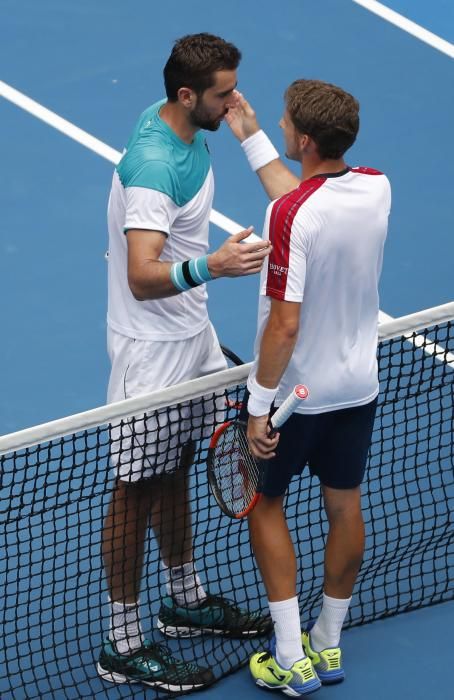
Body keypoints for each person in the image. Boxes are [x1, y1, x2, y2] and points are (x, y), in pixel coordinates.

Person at [97, 33, 272, 693]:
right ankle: (123, 642)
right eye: (225, 94)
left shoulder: (176, 125)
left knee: (178, 468)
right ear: (186, 95)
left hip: (190, 335)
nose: (236, 105)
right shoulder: (152, 167)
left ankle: (185, 600)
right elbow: (143, 276)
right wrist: (215, 266)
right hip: (151, 354)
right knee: (135, 489)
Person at [226, 79, 391, 696]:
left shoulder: (292, 215)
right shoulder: (376, 185)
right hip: (358, 385)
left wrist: (257, 408)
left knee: (266, 506)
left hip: (296, 398)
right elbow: (305, 206)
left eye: (284, 121)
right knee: (345, 505)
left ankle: (290, 656)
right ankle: (328, 642)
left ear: (302, 138)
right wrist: (251, 138)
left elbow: (285, 324)